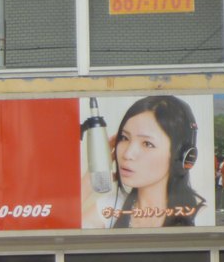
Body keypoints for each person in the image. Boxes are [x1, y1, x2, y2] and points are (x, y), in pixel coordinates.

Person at [82, 95, 206, 228]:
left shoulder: (201, 216)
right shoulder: (110, 208)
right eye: (124, 138)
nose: (127, 154)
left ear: (181, 155)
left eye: (147, 144)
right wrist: (92, 175)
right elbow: (66, 228)